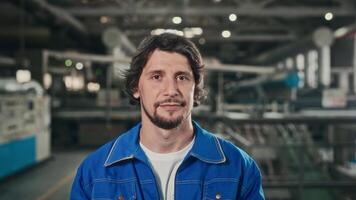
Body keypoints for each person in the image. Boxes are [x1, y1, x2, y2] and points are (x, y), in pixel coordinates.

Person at [70, 33, 265, 200]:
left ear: (195, 88)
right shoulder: (94, 172)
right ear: (136, 88)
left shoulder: (239, 167)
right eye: (156, 77)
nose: (170, 90)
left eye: (182, 77)